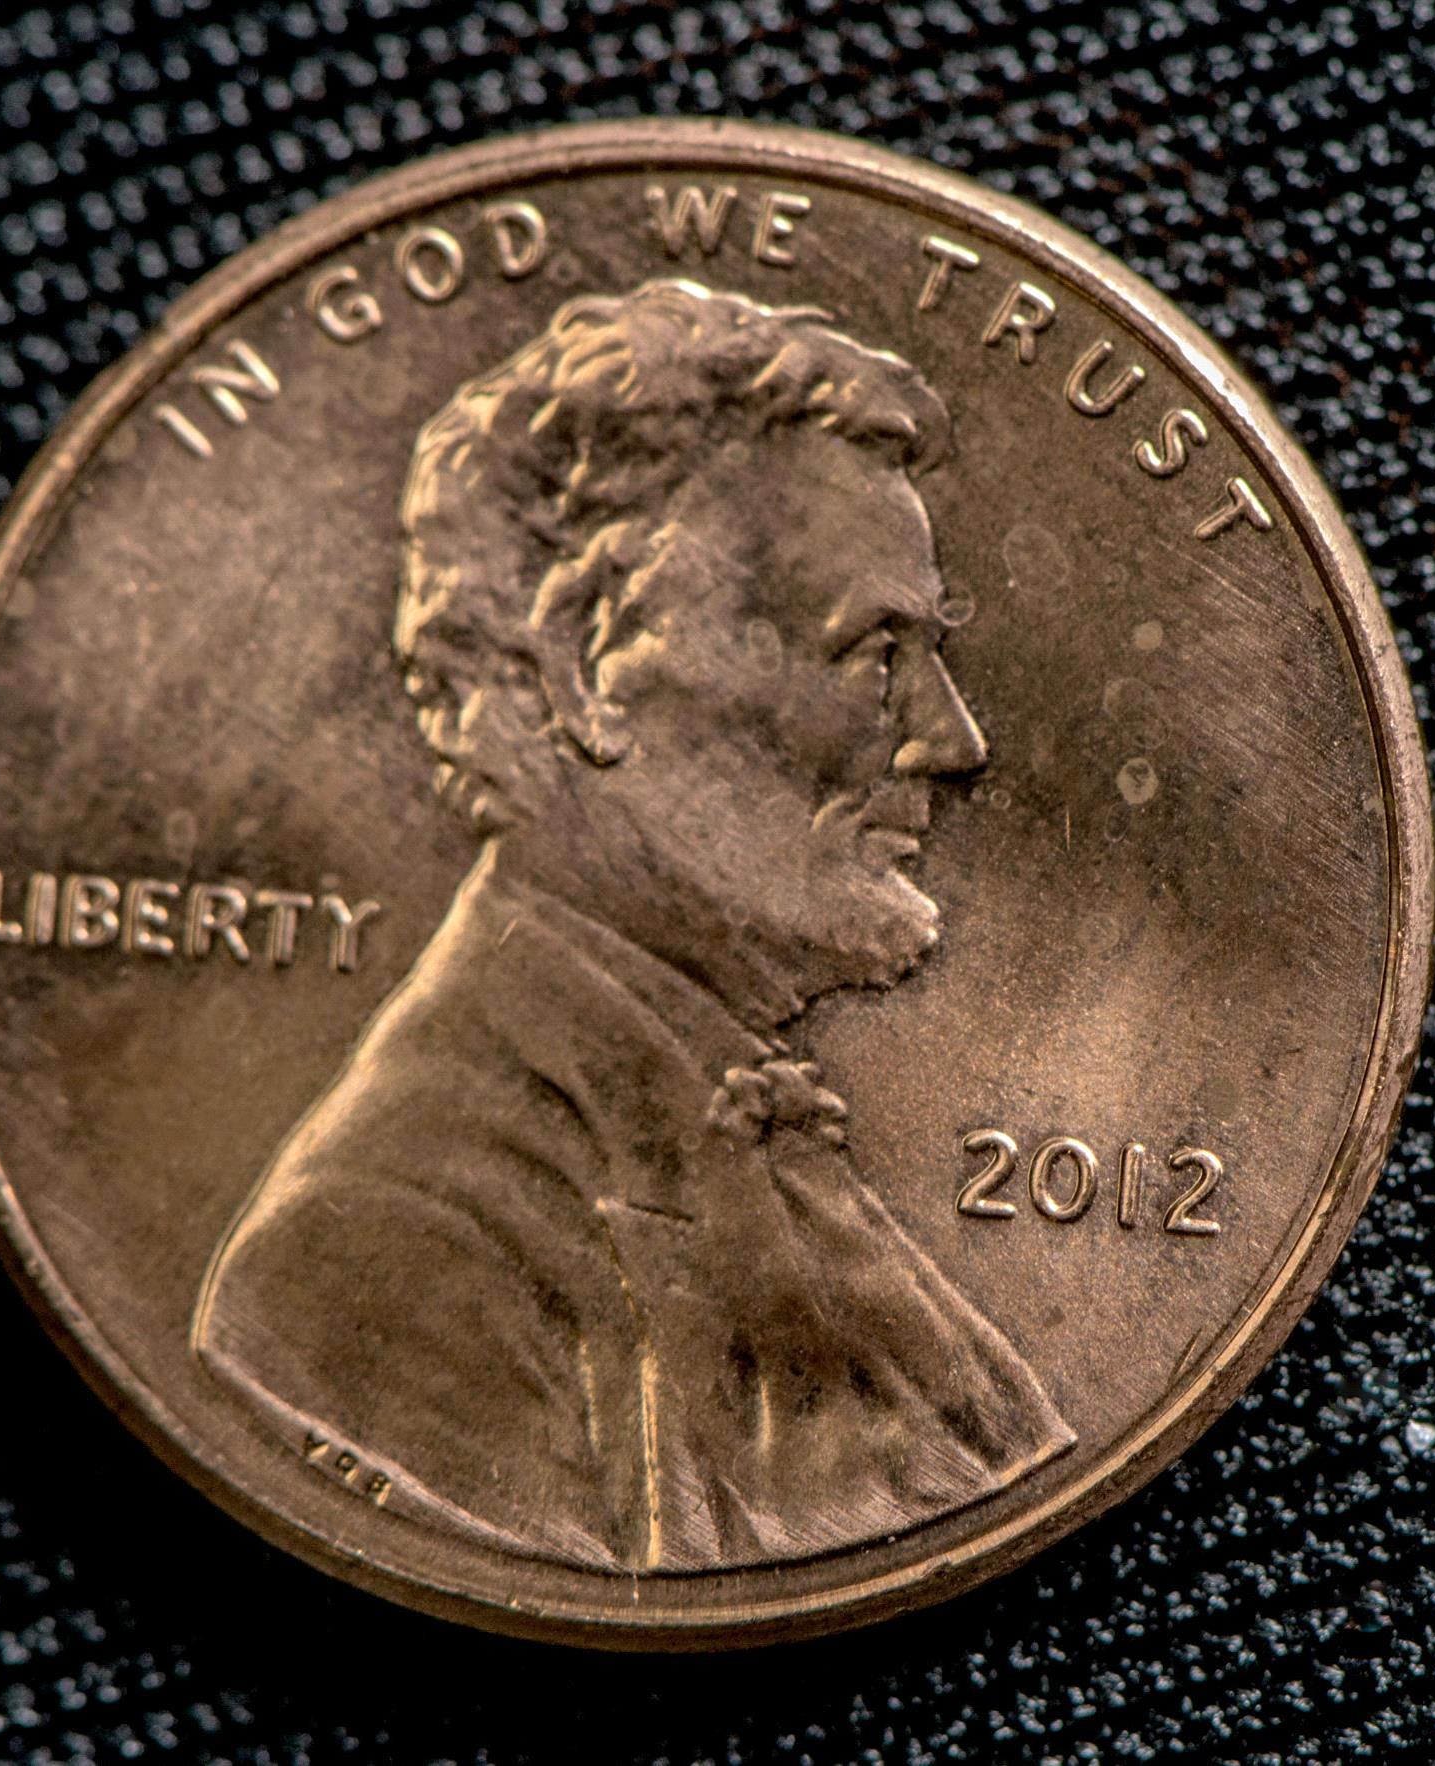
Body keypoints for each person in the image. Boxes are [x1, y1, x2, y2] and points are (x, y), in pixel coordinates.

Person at [192, 280, 1073, 1573]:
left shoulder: (746, 1129)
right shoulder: (381, 1246)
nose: (953, 738)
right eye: (874, 652)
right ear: (580, 668)